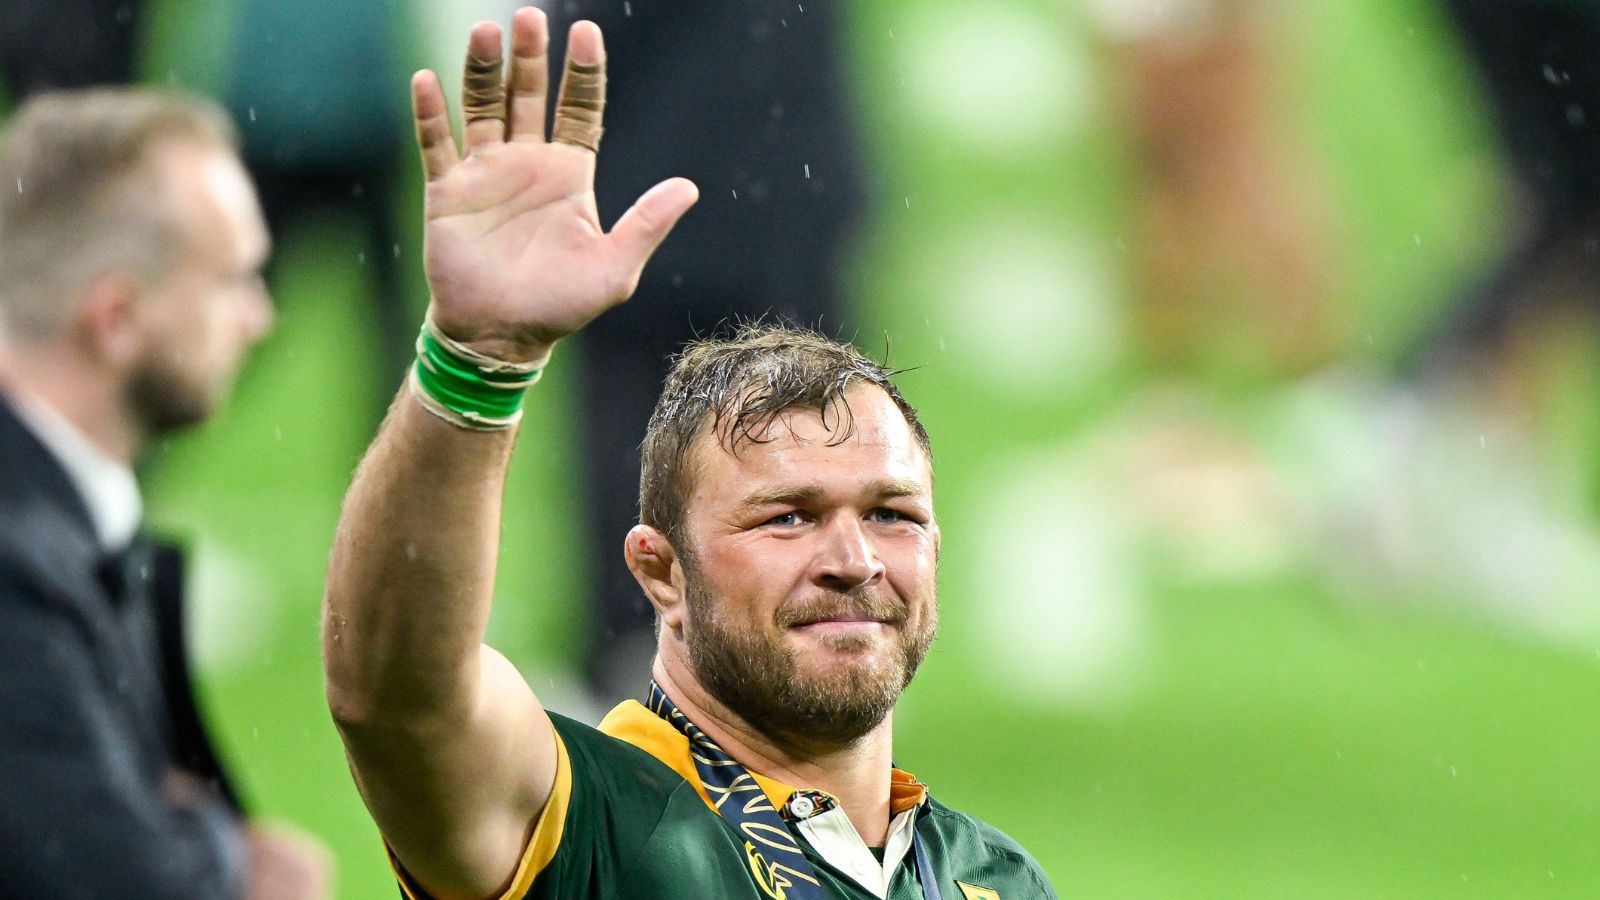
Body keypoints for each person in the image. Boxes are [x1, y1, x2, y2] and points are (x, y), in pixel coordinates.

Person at [322, 9, 1056, 898]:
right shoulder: (601, 824)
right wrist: (477, 362)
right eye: (789, 517)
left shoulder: (994, 879)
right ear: (659, 571)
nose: (853, 560)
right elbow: (400, 701)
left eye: (892, 514)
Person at [0, 88, 329, 897]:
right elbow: (102, 873)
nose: (261, 317)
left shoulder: (58, 514)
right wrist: (231, 866)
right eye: (233, 281)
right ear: (115, 318)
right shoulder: (17, 564)